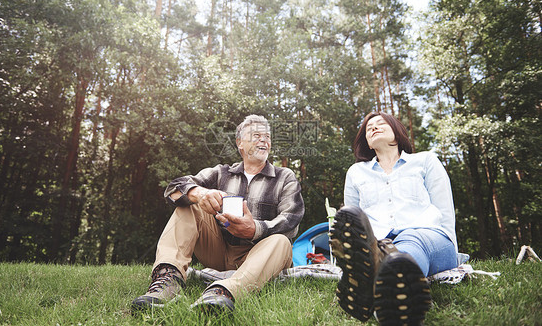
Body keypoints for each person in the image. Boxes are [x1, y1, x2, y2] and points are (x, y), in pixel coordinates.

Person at [132, 115, 305, 315]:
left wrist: (254, 229)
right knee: (189, 203)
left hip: (260, 255)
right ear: (240, 142)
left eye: (267, 136)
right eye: (256, 135)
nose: (264, 140)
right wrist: (200, 193)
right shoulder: (221, 173)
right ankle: (167, 283)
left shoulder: (285, 177)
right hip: (218, 250)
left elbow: (291, 219)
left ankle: (223, 293)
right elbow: (173, 189)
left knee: (281, 241)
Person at [331, 111, 458, 325]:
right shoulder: (356, 172)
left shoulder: (425, 161)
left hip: (428, 238)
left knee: (409, 243)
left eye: (381, 124)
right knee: (376, 244)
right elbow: (353, 221)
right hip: (378, 242)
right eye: (368, 128)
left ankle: (374, 277)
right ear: (368, 144)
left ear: (397, 134)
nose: (373, 127)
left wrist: (449, 245)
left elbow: (444, 210)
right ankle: (388, 289)